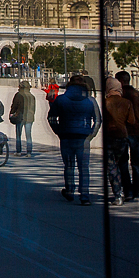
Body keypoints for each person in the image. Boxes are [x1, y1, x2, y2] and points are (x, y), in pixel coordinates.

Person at [48, 74, 101, 205]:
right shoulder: (90, 100)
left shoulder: (61, 99)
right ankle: (84, 195)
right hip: (83, 136)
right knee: (84, 168)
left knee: (69, 166)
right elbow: (98, 120)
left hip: (66, 135)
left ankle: (70, 190)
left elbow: (51, 118)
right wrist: (91, 134)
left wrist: (58, 131)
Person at [115, 71, 139, 200]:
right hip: (136, 132)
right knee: (136, 163)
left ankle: (127, 190)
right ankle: (137, 189)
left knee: (122, 162)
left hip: (122, 132)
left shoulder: (120, 96)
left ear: (120, 81)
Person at [102, 77, 137, 206]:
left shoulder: (105, 102)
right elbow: (132, 121)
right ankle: (128, 192)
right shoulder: (126, 103)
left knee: (111, 167)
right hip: (122, 136)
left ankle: (117, 194)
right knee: (123, 164)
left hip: (109, 137)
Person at [9, 80, 36, 156]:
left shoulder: (18, 95)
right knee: (28, 135)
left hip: (20, 117)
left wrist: (11, 113)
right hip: (29, 117)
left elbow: (14, 105)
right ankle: (29, 152)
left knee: (18, 135)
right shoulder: (32, 96)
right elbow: (34, 108)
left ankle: (18, 151)